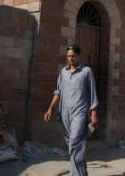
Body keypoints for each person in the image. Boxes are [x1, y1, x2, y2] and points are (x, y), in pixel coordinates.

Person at [44, 44, 99, 176]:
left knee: (75, 142)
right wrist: (50, 109)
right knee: (74, 145)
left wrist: (94, 114)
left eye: (73, 56)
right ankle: (82, 172)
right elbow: (58, 92)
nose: (71, 58)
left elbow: (92, 93)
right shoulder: (63, 72)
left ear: (79, 56)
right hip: (65, 113)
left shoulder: (86, 71)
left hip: (80, 112)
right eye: (68, 56)